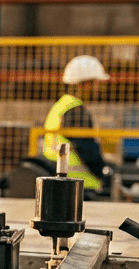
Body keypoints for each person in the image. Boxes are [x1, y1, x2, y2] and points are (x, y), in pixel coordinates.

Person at [43, 55, 109, 192]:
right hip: (80, 184)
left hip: (60, 179)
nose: (99, 88)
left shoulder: (62, 105)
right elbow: (87, 150)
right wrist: (105, 173)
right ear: (85, 84)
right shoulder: (76, 111)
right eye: (96, 83)